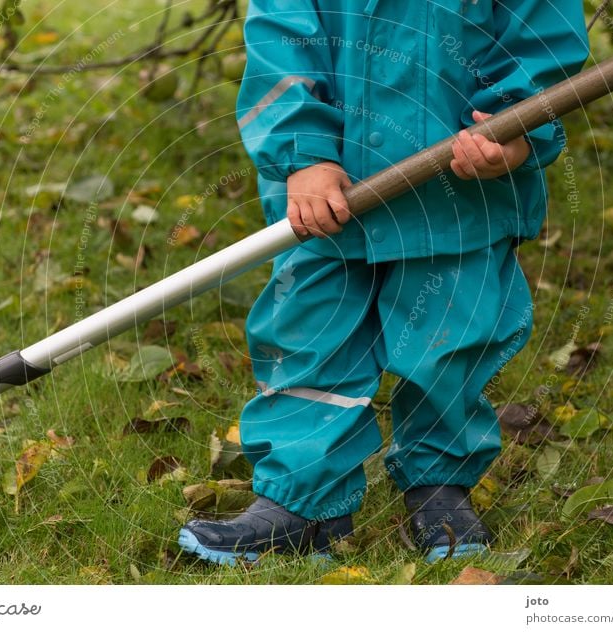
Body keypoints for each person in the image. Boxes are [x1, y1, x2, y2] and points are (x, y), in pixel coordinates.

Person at [179, 0, 590, 565]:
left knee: (451, 344)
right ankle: (303, 503)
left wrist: (518, 127)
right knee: (310, 339)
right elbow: (282, 36)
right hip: (329, 197)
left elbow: (542, 35)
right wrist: (304, 152)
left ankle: (440, 487)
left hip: (461, 196)